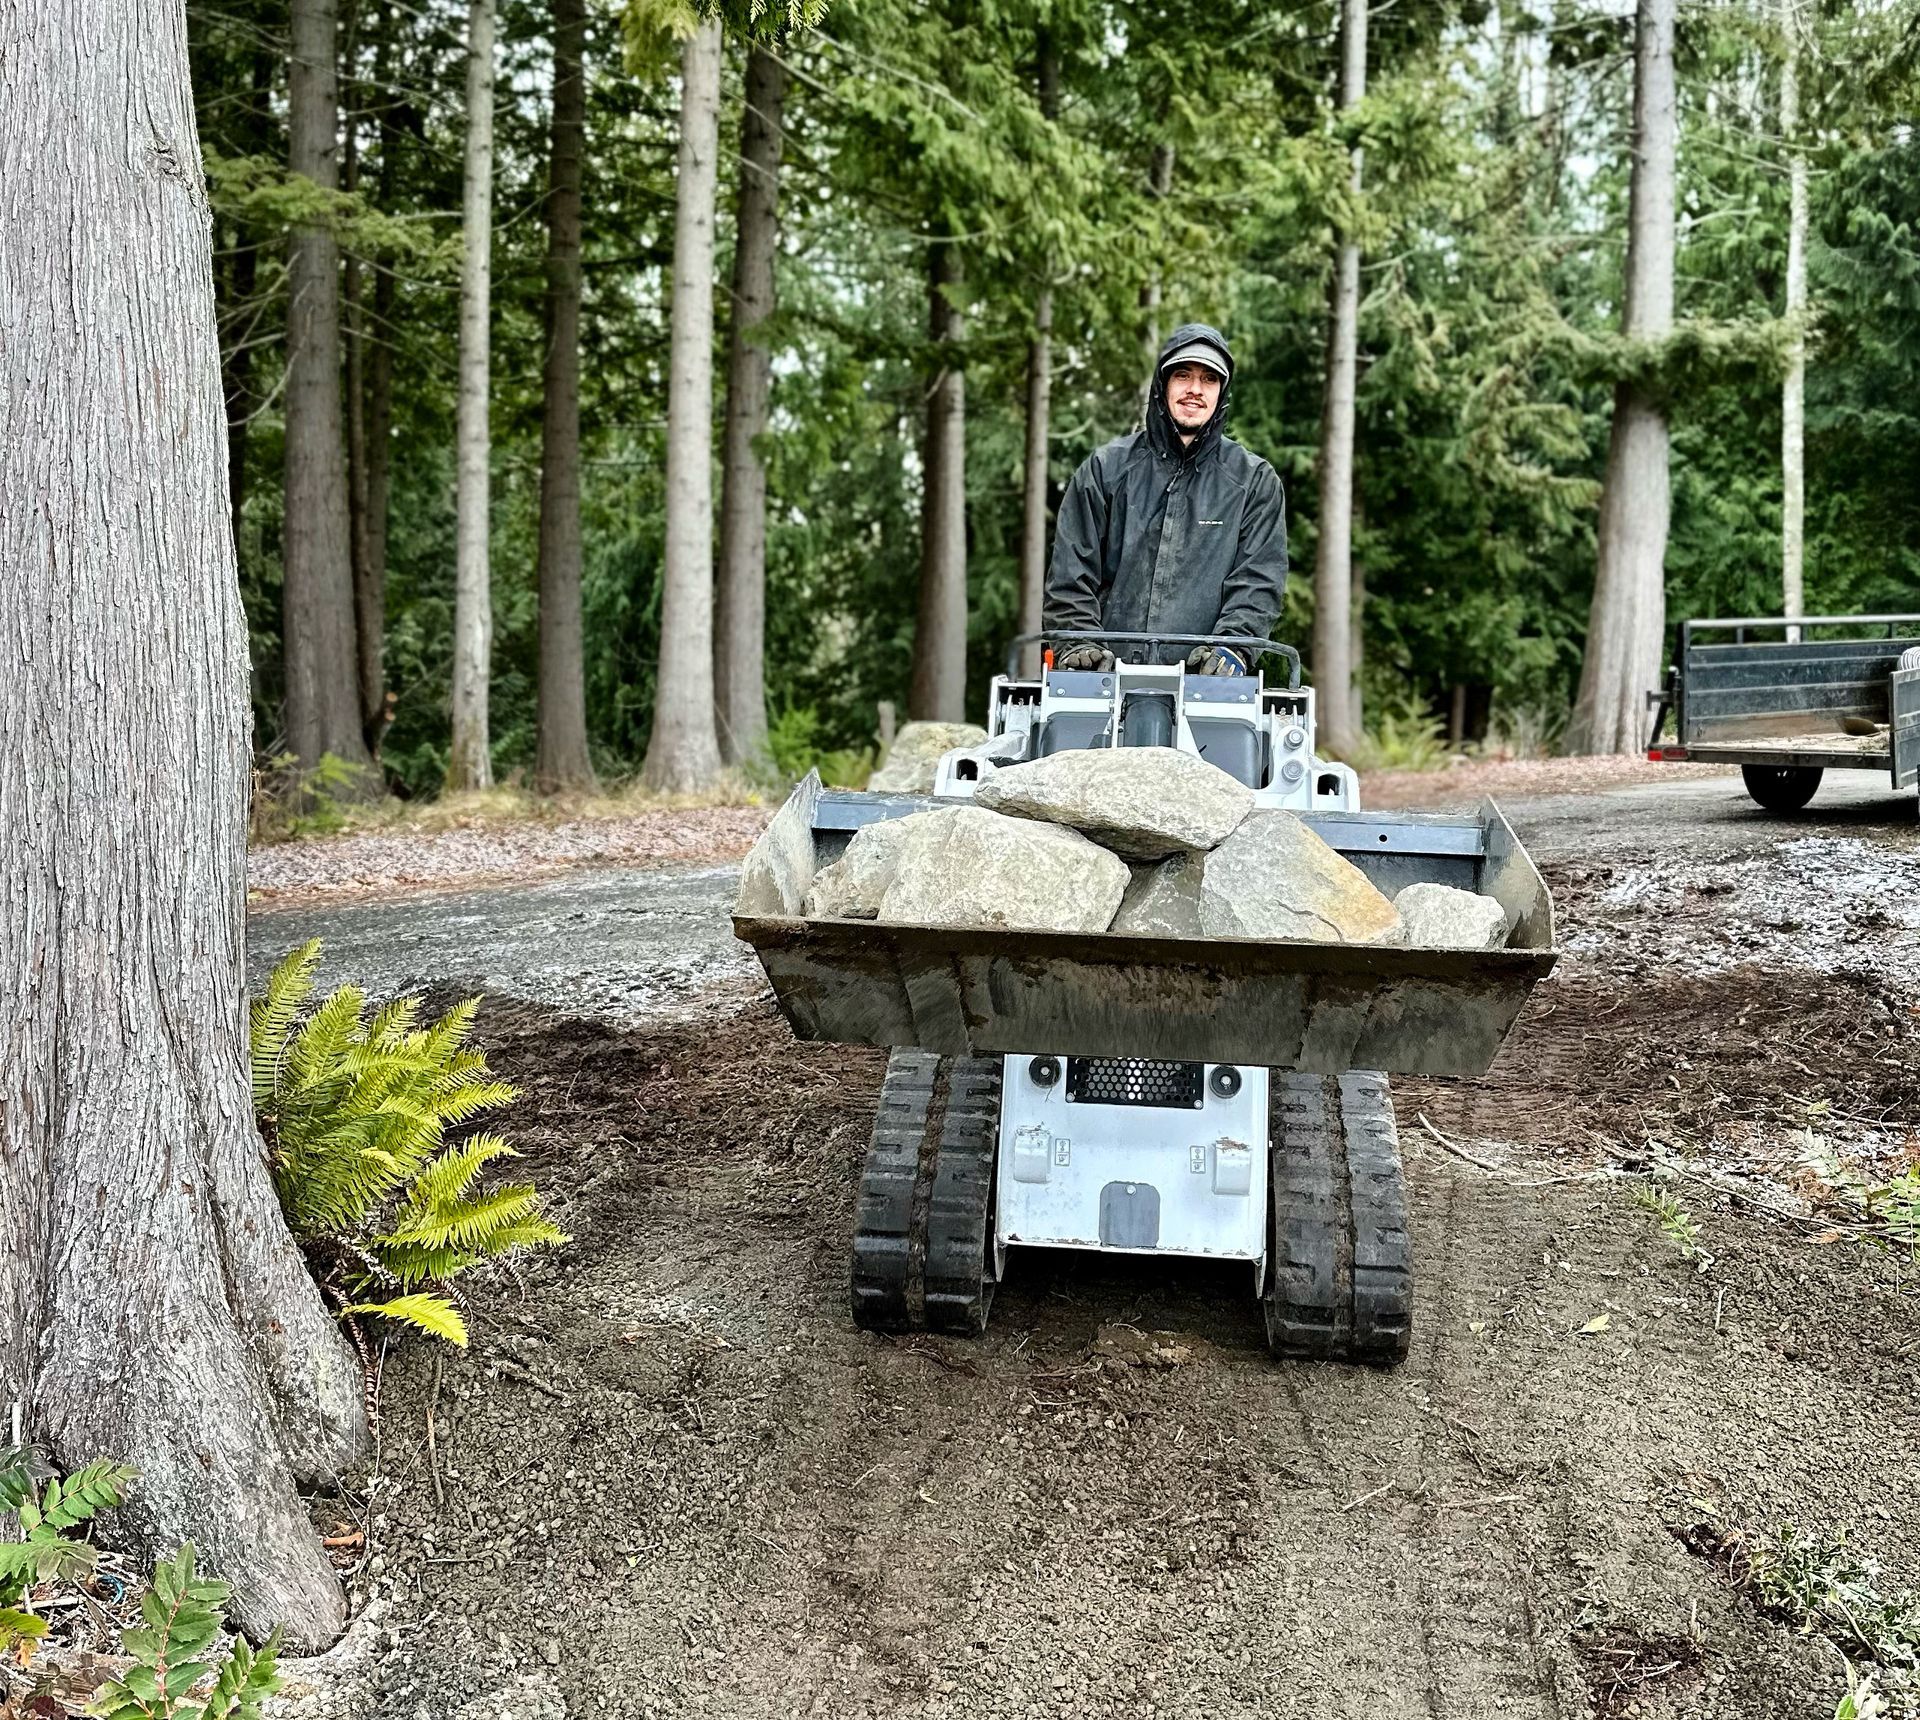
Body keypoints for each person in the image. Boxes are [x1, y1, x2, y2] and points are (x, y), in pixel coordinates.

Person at [1044, 322, 1287, 675]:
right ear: (1162, 385)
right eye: (1183, 375)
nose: (1194, 389)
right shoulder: (1105, 469)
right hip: (1101, 682)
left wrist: (1233, 648)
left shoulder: (1253, 482)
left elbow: (1259, 581)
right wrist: (1078, 642)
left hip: (1207, 687)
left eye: (1209, 379)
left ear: (1222, 391)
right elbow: (1070, 572)